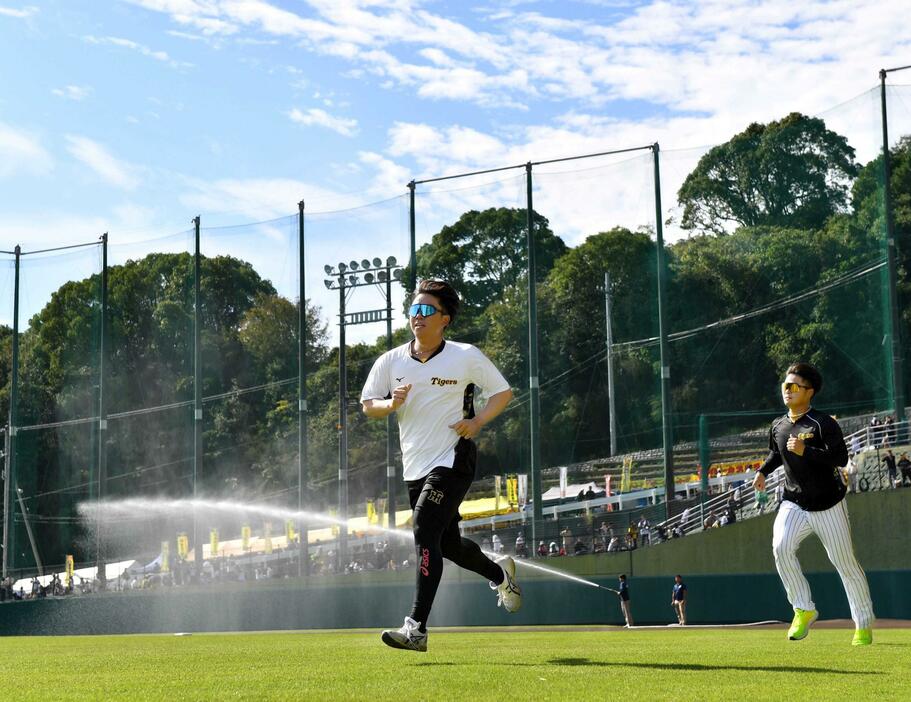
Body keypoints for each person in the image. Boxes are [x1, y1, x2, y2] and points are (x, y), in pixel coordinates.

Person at [361, 279, 520, 652]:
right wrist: (391, 404)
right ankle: (500, 574)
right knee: (445, 545)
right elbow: (369, 405)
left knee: (422, 528)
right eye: (414, 310)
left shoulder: (465, 355)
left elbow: (503, 392)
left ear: (444, 319)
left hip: (454, 457)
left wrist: (478, 421)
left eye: (426, 310)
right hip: (415, 468)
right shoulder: (391, 361)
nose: (417, 317)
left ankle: (416, 629)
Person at [753, 362, 874, 646]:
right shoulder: (778, 425)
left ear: (810, 392)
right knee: (780, 546)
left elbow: (840, 458)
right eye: (785, 386)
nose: (787, 391)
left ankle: (863, 625)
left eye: (794, 387)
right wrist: (762, 471)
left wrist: (806, 450)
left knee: (845, 564)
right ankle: (803, 608)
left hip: (828, 504)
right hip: (793, 501)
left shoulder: (823, 423)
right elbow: (776, 454)